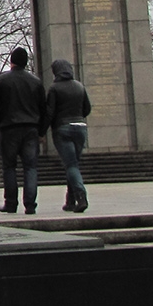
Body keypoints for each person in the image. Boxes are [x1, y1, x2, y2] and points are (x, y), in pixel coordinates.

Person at [0, 46, 46, 214]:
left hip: (10, 128)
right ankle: (30, 205)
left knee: (9, 167)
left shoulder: (2, 80)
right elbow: (43, 108)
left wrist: (1, 121)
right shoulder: (36, 82)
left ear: (11, 61)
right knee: (31, 167)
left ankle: (11, 203)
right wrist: (40, 128)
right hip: (30, 129)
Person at [45, 58, 92, 212]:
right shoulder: (79, 86)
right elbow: (87, 109)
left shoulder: (54, 88)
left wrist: (42, 130)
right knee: (73, 164)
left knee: (71, 164)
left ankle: (81, 196)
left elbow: (50, 112)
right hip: (80, 127)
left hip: (62, 129)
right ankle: (70, 200)